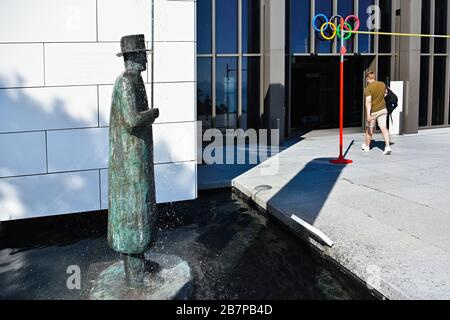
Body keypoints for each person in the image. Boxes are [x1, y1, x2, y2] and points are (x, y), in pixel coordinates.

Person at [362, 71, 392, 155]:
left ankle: (367, 146)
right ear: (374, 77)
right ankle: (387, 146)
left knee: (369, 128)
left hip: (373, 111)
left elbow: (368, 102)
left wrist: (368, 114)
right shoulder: (382, 84)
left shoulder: (368, 89)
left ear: (367, 78)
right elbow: (386, 93)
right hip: (383, 109)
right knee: (383, 128)